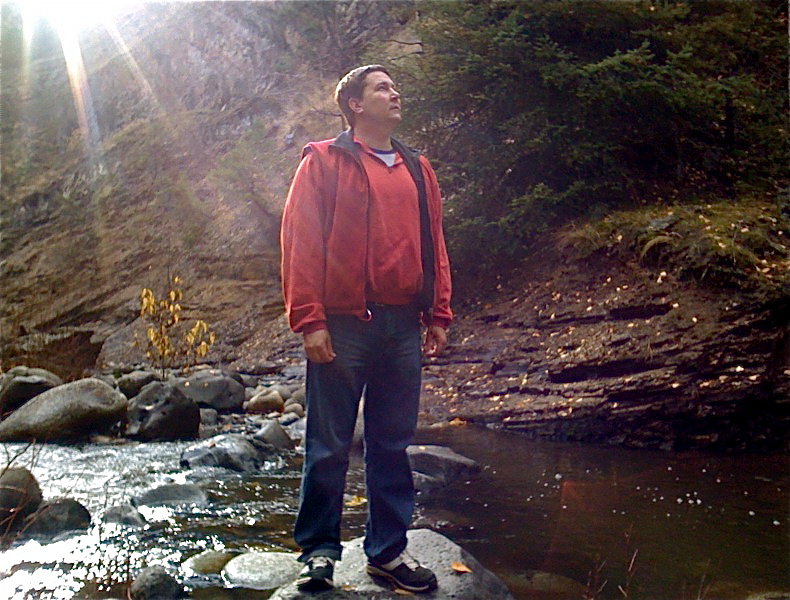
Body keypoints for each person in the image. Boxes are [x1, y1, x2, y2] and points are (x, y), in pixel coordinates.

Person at [280, 64, 452, 593]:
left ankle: (387, 553)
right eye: (382, 87)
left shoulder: (418, 167)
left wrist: (439, 312)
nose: (394, 93)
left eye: (394, 86)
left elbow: (434, 242)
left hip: (403, 325)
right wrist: (309, 319)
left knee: (392, 444)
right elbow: (300, 240)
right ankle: (318, 552)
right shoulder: (324, 161)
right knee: (329, 443)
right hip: (343, 324)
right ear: (354, 104)